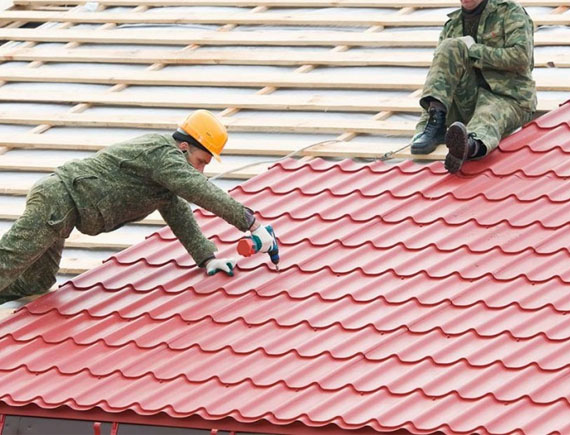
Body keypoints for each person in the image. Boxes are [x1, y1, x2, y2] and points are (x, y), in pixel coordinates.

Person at [0, 110, 276, 303]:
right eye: (201, 161)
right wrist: (250, 223)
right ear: (183, 147)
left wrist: (207, 258)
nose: (201, 170)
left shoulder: (164, 179)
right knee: (6, 263)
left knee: (37, 282)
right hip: (58, 201)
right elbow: (200, 191)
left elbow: (179, 213)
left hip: (65, 212)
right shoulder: (163, 154)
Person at [410, 0, 536, 173]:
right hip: (468, 99)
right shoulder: (452, 25)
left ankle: (469, 146)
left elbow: (521, 58)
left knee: (489, 113)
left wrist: (473, 49)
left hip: (508, 97)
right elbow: (440, 79)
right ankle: (438, 126)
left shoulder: (509, 12)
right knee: (449, 47)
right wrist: (424, 127)